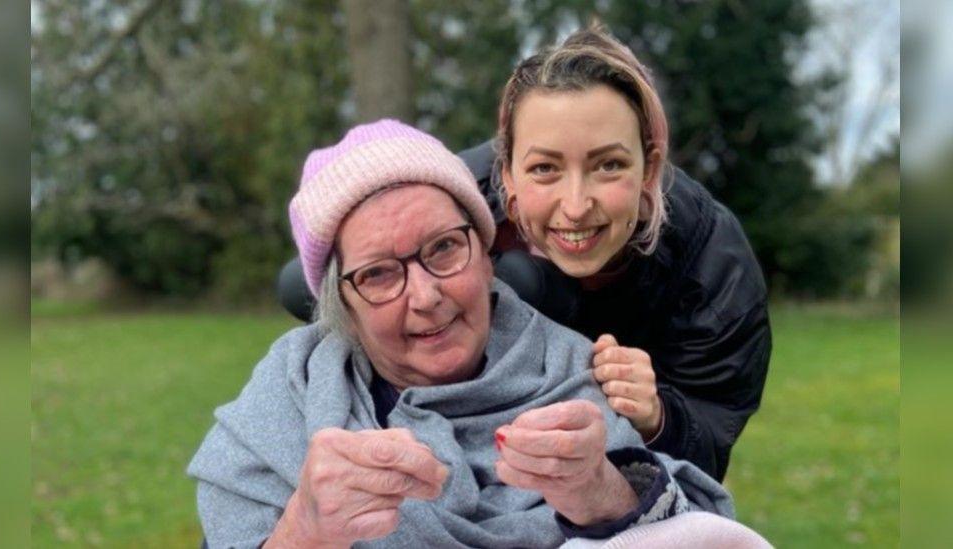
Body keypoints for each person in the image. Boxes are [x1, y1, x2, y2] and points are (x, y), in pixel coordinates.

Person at [189, 120, 751, 548]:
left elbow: (698, 532)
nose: (426, 296)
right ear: (344, 306)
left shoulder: (578, 374)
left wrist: (604, 492)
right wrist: (304, 531)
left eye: (443, 249)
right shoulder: (286, 398)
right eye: (380, 274)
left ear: (486, 256)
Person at [458, 25, 772, 481]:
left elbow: (711, 444)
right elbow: (324, 279)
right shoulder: (453, 199)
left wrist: (658, 417)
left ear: (650, 166)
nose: (577, 206)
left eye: (609, 165)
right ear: (505, 172)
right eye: (544, 168)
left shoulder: (713, 264)